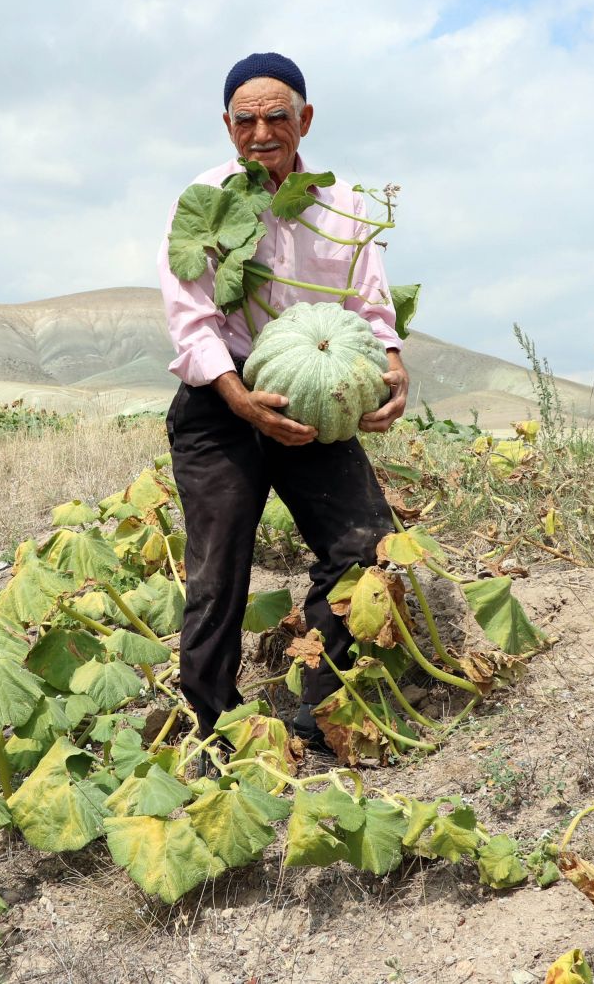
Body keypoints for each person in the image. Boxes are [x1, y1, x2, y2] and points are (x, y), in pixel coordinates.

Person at [158, 51, 409, 750]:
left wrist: (391, 364)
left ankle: (321, 708)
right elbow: (191, 320)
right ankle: (216, 726)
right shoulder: (206, 199)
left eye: (277, 115)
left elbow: (370, 302)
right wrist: (240, 398)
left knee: (364, 547)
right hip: (222, 398)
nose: (261, 130)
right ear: (227, 125)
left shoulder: (345, 203)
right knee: (217, 571)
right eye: (246, 118)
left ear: (305, 119)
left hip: (312, 391)